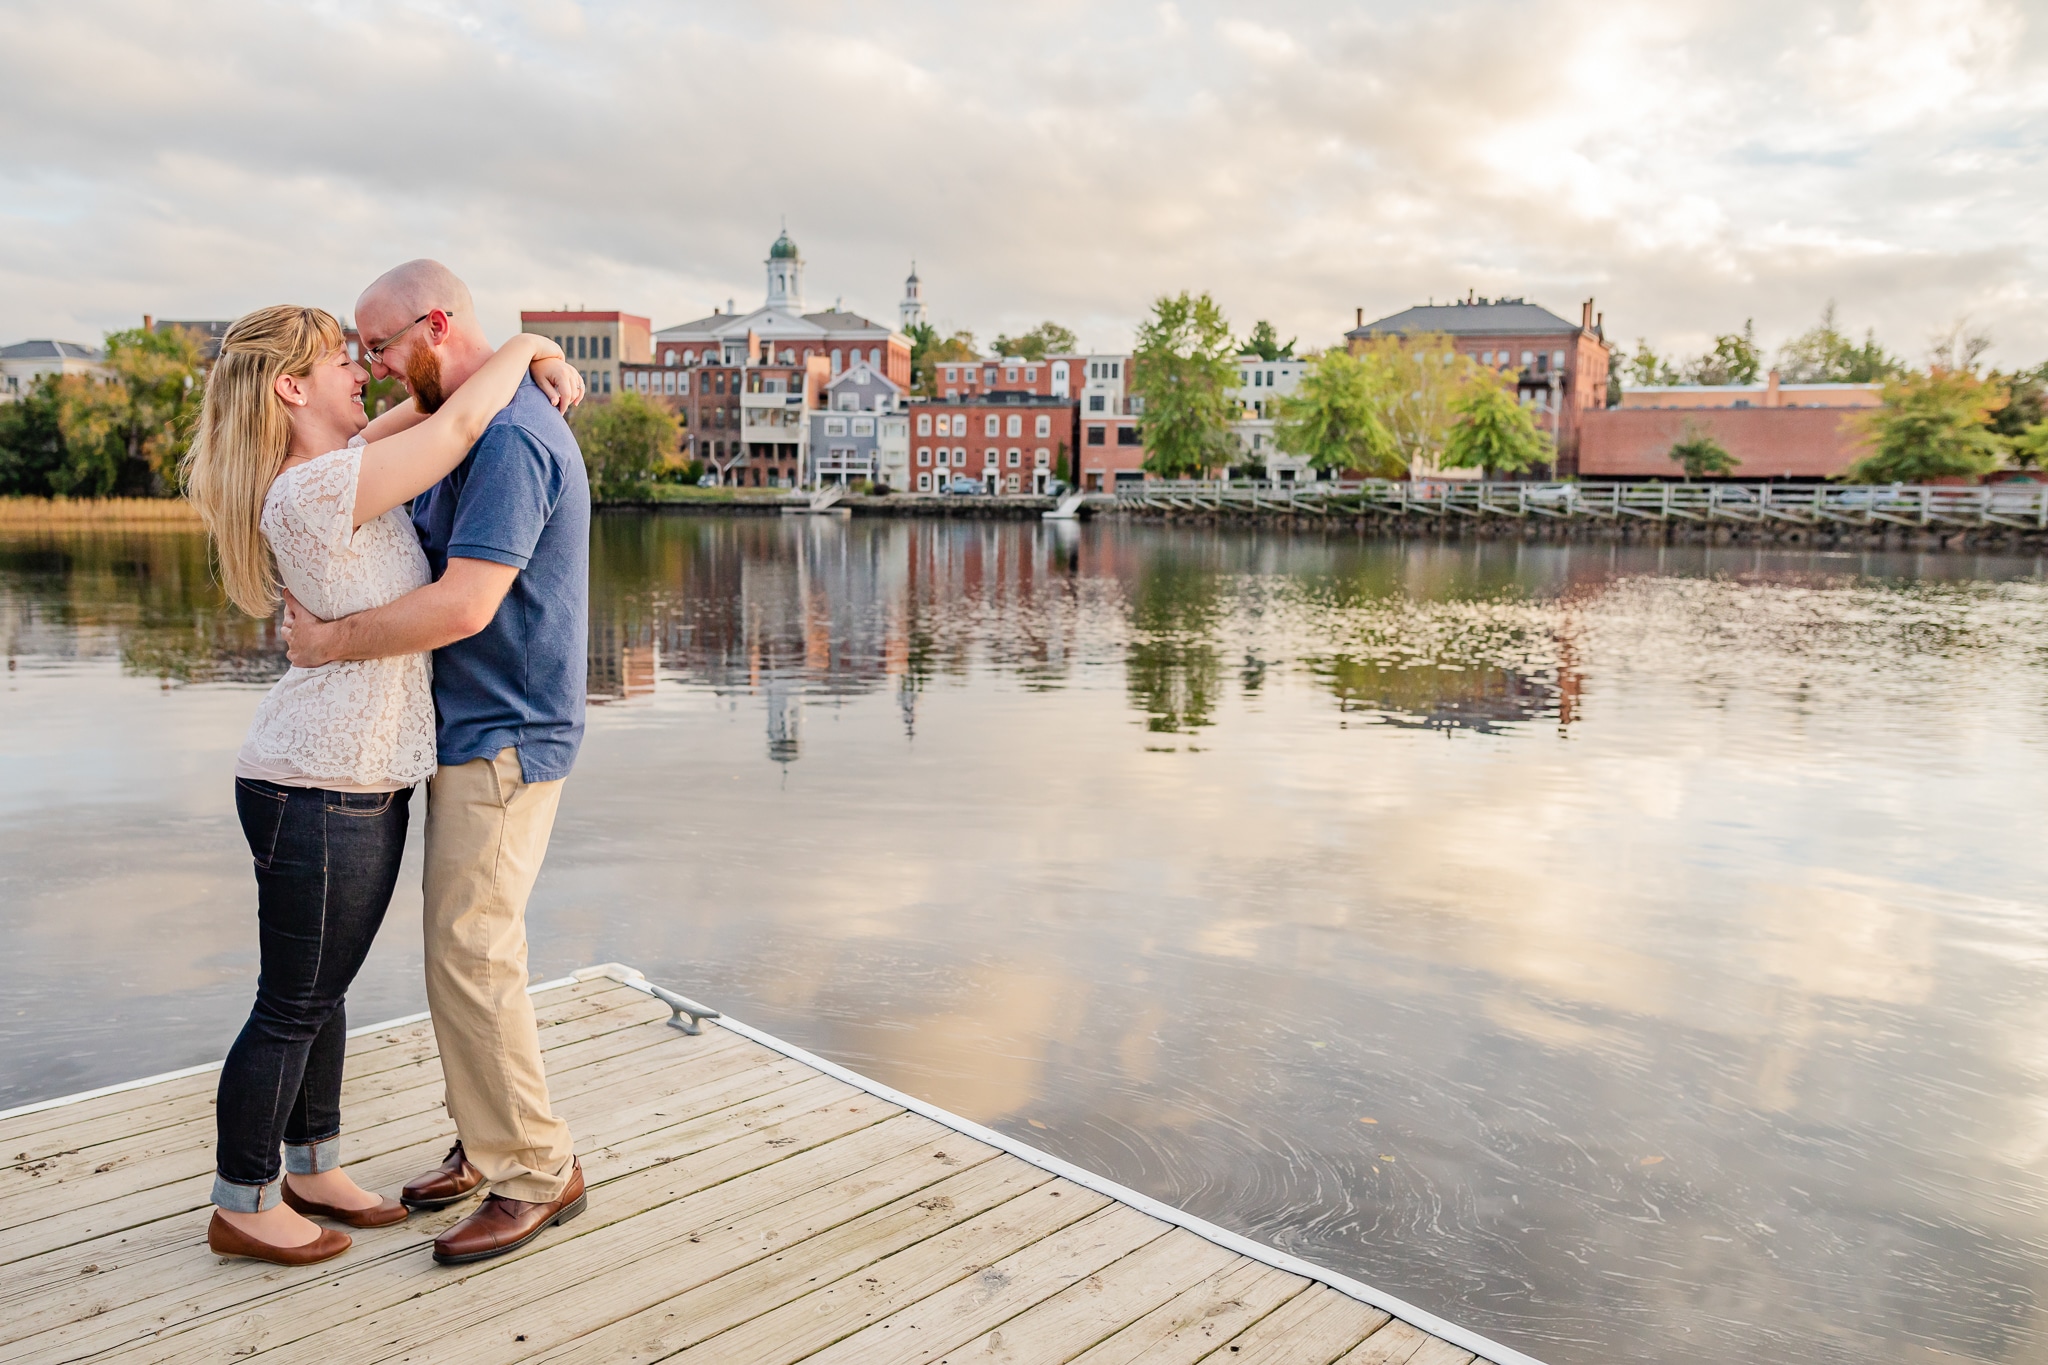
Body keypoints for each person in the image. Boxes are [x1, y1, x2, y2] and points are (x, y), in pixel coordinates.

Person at [183, 304, 580, 1266]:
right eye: (339, 359)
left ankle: (312, 1163)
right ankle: (244, 1199)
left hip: (353, 774)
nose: (363, 370)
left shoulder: (343, 460)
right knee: (294, 999)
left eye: (369, 349)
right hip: (319, 779)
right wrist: (528, 346)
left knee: (323, 989)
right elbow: (449, 427)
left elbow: (433, 406)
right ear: (289, 387)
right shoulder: (316, 487)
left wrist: (525, 358)